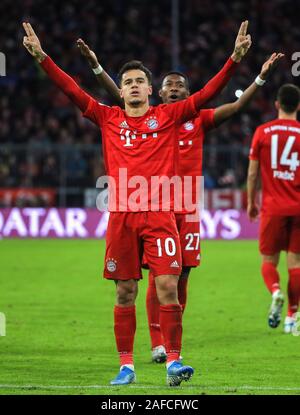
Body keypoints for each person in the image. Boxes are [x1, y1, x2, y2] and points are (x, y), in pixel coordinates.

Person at [22, 21, 250, 386]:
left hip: (160, 216)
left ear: (149, 89)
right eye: (126, 81)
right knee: (125, 290)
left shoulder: (168, 116)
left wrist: (234, 61)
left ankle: (174, 361)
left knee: (167, 286)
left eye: (138, 81)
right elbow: (71, 90)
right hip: (122, 218)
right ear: (122, 90)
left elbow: (208, 93)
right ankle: (126, 365)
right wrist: (43, 57)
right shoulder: (107, 117)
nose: (132, 86)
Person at [78, 37, 283, 360]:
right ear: (158, 93)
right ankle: (158, 342)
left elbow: (233, 105)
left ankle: (172, 338)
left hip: (184, 204)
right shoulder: (158, 118)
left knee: (179, 274)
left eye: (180, 86)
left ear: (188, 94)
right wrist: (96, 65)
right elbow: (118, 95)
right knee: (152, 275)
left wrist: (256, 76)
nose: (174, 88)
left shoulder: (197, 119)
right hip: (153, 201)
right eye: (168, 85)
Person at [247, 83, 300, 333]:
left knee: (269, 260)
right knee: (296, 264)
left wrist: (250, 201)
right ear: (298, 106)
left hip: (272, 207)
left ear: (277, 104)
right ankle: (291, 317)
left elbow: (253, 172)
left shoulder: (263, 132)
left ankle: (276, 291)